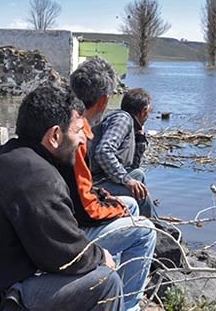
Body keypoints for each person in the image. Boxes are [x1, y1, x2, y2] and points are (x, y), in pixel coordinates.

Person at [0, 86, 123, 311]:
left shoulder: (0, 156)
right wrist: (101, 257)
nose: (83, 140)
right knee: (106, 282)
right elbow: (69, 257)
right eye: (77, 131)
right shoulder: (40, 178)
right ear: (55, 136)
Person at [60, 57, 156, 311]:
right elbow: (85, 208)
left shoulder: (64, 122)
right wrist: (116, 200)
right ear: (103, 101)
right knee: (145, 229)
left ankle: (114, 282)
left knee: (131, 204)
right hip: (68, 230)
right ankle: (128, 306)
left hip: (70, 210)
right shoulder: (77, 135)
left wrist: (141, 139)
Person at [89, 88, 156, 218]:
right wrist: (127, 181)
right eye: (149, 111)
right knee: (140, 194)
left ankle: (148, 222)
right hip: (95, 183)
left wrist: (140, 139)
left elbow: (133, 167)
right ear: (143, 111)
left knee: (138, 175)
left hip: (104, 177)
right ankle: (152, 228)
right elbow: (103, 151)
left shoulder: (132, 126)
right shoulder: (123, 119)